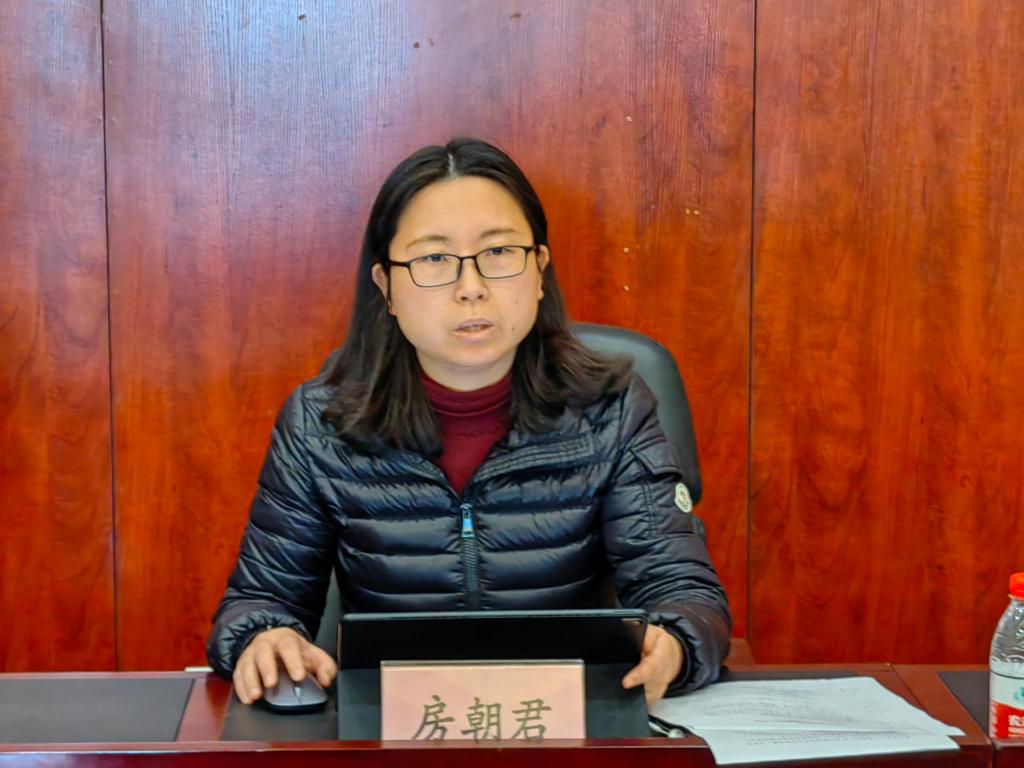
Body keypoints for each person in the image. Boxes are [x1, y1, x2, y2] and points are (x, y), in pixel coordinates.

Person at [206, 137, 731, 708]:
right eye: (434, 259)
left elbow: (683, 592)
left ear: (539, 271)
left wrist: (676, 642)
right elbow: (261, 602)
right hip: (392, 726)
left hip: (568, 721)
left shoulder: (611, 408)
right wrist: (264, 639)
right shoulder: (321, 424)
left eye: (499, 252)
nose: (471, 288)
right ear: (386, 287)